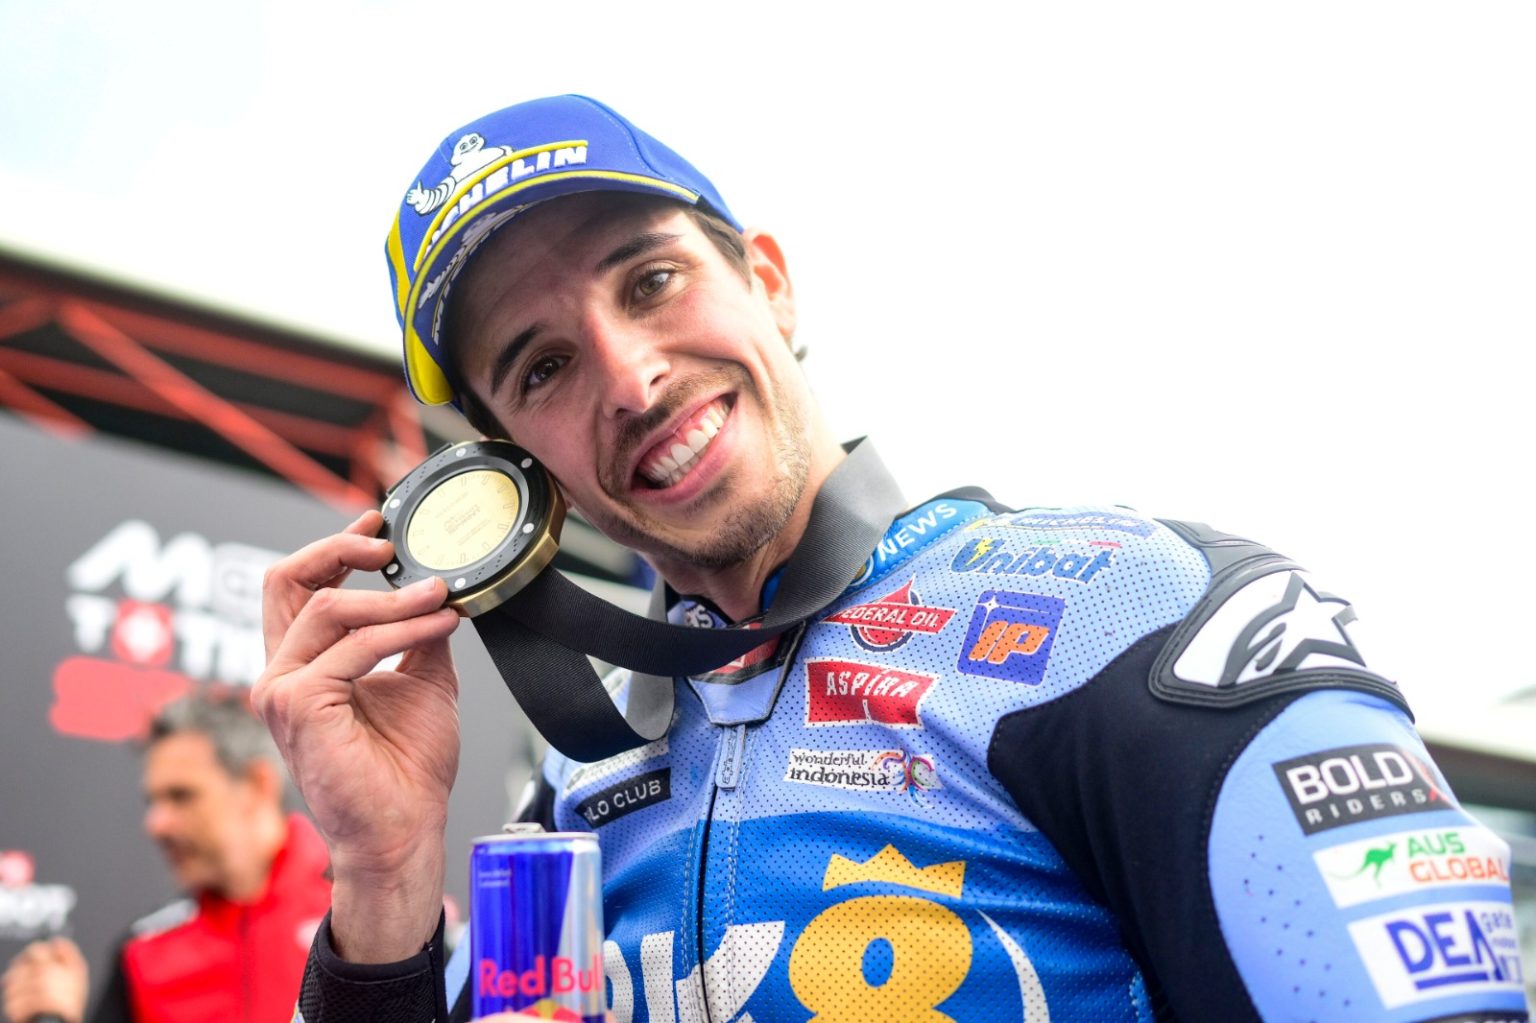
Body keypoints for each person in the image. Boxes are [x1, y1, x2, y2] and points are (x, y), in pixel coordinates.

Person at [253, 95, 1530, 1022]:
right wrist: (383, 873)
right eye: (543, 367)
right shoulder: (576, 791)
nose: (630, 379)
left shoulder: (1139, 614)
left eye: (649, 282)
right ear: (510, 469)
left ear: (770, 283)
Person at [1, 693, 332, 1023]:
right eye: (153, 802)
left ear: (258, 785)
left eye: (181, 796)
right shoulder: (144, 949)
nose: (156, 824)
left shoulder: (350, 915)